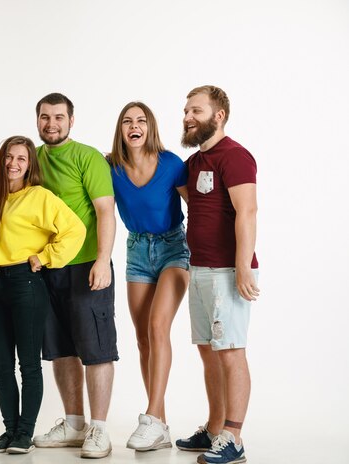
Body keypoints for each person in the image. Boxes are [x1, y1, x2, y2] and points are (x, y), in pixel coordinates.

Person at [0, 135, 86, 455]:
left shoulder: (39, 196)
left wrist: (45, 257)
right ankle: (10, 429)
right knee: (1, 364)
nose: (13, 163)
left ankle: (24, 433)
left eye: (21, 159)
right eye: (9, 157)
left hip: (25, 283)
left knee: (28, 364)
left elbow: (75, 230)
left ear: (30, 166)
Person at [176, 85, 259, 464]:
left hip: (228, 271)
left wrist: (243, 266)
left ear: (218, 115)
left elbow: (248, 212)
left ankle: (234, 437)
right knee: (209, 352)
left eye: (196, 111)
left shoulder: (236, 156)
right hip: (200, 269)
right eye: (186, 111)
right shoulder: (194, 164)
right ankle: (213, 428)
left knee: (231, 353)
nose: (188, 117)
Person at [31, 93, 117, 459]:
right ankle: (74, 423)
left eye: (59, 117)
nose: (52, 124)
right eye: (45, 117)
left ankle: (100, 428)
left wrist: (103, 260)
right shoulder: (33, 157)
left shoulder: (88, 157)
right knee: (61, 349)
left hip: (86, 265)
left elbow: (105, 212)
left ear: (71, 120)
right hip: (48, 267)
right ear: (37, 120)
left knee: (95, 348)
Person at [109, 101, 190, 451]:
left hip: (174, 248)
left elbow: (198, 210)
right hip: (137, 251)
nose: (134, 125)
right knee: (143, 338)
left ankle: (152, 417)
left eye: (141, 120)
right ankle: (160, 424)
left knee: (158, 326)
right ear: (121, 130)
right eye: (127, 121)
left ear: (150, 127)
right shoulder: (110, 167)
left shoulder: (171, 164)